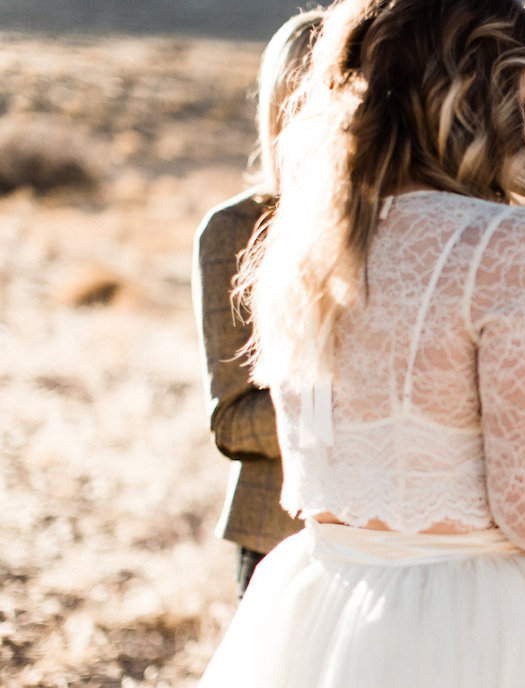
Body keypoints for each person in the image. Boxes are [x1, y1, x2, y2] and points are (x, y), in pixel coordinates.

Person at [157, 1, 525, 688]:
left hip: (319, 613)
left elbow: (383, 446)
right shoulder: (509, 246)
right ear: (483, 94)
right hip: (478, 631)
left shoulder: (298, 240)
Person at [192, 8, 323, 598]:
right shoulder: (233, 231)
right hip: (278, 540)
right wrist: (356, 408)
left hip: (403, 538)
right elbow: (232, 422)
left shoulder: (406, 223)